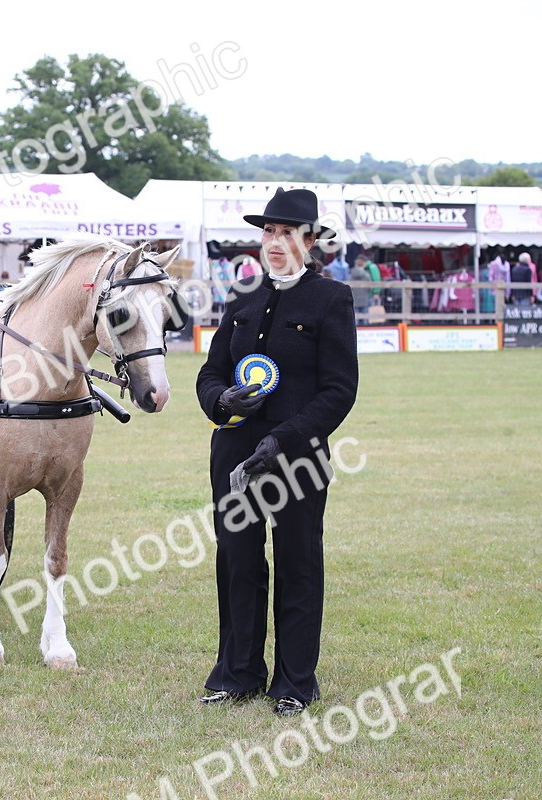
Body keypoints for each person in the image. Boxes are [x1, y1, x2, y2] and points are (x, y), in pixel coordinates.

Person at [195, 188, 359, 716]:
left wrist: (284, 439)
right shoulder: (241, 302)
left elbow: (339, 390)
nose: (275, 243)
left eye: (286, 233)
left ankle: (294, 683)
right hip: (236, 455)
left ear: (309, 240)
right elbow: (209, 372)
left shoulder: (332, 300)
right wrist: (220, 399)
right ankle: (237, 673)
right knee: (237, 561)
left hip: (298, 454)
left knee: (297, 564)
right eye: (268, 232)